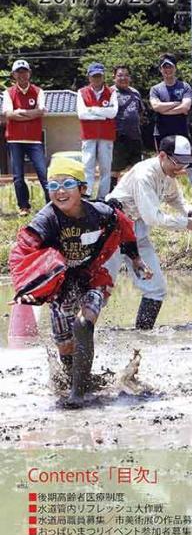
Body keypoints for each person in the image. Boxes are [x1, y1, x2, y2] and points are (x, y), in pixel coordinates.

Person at [9, 156, 150, 408]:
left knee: (83, 325)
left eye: (67, 184)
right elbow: (24, 250)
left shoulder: (101, 213)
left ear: (82, 189)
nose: (60, 191)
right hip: (60, 286)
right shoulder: (47, 219)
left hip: (92, 278)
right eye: (53, 186)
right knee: (65, 347)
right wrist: (27, 286)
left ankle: (78, 393)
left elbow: (125, 228)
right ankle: (78, 382)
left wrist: (137, 260)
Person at [106, 135, 192, 330]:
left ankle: (142, 336)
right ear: (163, 156)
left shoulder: (168, 173)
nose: (181, 169)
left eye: (185, 164)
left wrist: (191, 211)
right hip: (113, 233)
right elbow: (153, 217)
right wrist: (186, 223)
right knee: (100, 289)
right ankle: (76, 335)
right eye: (178, 163)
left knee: (156, 289)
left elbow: (174, 198)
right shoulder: (143, 175)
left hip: (138, 234)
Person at [149, 52, 192, 199]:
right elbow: (156, 107)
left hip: (181, 132)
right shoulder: (155, 89)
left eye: (170, 66)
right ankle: (159, 196)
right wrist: (176, 104)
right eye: (164, 67)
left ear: (175, 68)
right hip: (162, 132)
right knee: (162, 164)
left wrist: (166, 109)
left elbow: (185, 108)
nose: (167, 70)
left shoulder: (184, 87)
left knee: (189, 165)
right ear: (160, 70)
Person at [1, 59, 49, 215]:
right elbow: (8, 114)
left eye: (24, 71)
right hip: (15, 140)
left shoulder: (38, 91)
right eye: (19, 72)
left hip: (34, 139)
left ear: (29, 73)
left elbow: (41, 111)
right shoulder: (8, 92)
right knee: (18, 176)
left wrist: (20, 112)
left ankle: (52, 204)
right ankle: (24, 206)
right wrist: (31, 113)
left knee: (44, 174)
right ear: (14, 75)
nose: (22, 75)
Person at [77, 62, 118, 199]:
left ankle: (102, 197)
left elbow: (112, 113)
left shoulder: (111, 92)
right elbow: (82, 114)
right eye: (94, 76)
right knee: (87, 166)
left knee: (105, 169)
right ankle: (86, 195)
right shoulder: (81, 92)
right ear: (89, 77)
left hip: (106, 136)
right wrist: (103, 114)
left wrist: (93, 110)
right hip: (88, 135)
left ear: (103, 76)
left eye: (99, 76)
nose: (97, 79)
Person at [110, 64, 145, 191]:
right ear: (114, 77)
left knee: (136, 169)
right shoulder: (110, 92)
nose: (123, 78)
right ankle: (111, 196)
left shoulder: (135, 93)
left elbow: (140, 112)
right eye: (120, 75)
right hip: (117, 137)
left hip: (135, 136)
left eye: (126, 75)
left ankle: (134, 194)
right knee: (115, 169)